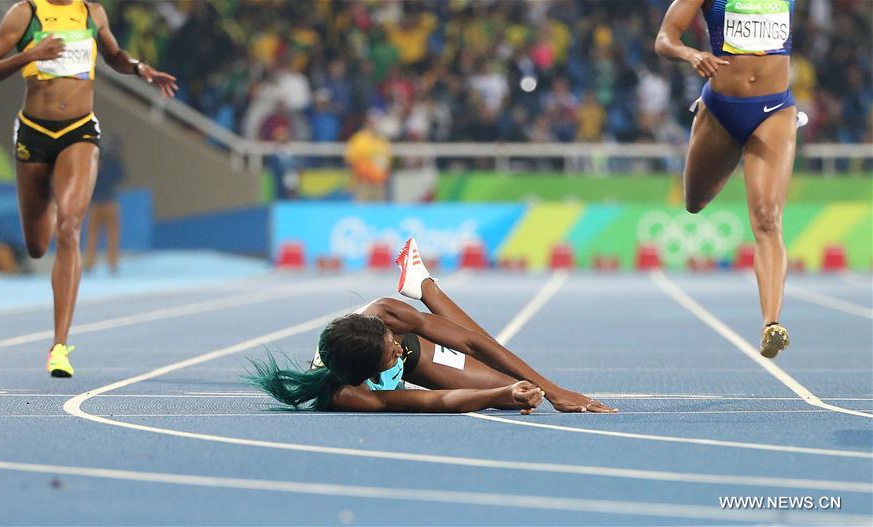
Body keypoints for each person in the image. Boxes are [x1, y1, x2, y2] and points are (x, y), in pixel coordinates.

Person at [0, 0, 177, 377]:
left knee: (69, 228)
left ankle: (59, 346)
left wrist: (139, 68)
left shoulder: (92, 13)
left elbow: (113, 55)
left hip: (79, 130)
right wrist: (31, 54)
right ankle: (53, 195)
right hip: (34, 133)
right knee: (37, 245)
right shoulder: (25, 13)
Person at [247, 239, 617, 414]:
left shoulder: (386, 316)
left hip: (391, 337)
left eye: (393, 342)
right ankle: (421, 283)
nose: (398, 348)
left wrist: (553, 391)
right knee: (509, 390)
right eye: (390, 353)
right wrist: (497, 396)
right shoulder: (353, 396)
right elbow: (433, 400)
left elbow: (471, 342)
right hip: (375, 373)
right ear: (367, 375)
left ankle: (423, 287)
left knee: (519, 383)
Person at [655, 0, 805, 359]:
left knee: (768, 218)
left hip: (775, 111)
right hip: (721, 110)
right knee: (694, 201)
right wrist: (690, 54)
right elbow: (664, 38)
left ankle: (772, 323)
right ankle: (733, 154)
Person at [84, 135, 124, 274]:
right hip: (108, 202)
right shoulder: (112, 162)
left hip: (99, 203)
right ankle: (111, 264)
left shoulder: (95, 162)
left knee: (94, 235)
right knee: (109, 235)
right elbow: (121, 176)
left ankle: (92, 264)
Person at [344, 112, 392, 202]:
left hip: (379, 183)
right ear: (367, 123)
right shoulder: (359, 139)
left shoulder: (383, 141)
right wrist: (351, 181)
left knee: (379, 212)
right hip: (363, 183)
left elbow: (387, 162)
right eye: (372, 122)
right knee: (362, 211)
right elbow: (350, 161)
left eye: (377, 122)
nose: (374, 125)